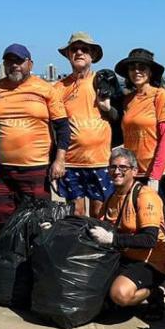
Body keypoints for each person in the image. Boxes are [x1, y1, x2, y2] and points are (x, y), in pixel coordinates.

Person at [0, 43, 70, 230]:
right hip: (2, 169)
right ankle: (7, 257)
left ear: (30, 64)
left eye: (19, 61)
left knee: (38, 221)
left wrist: (59, 160)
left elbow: (62, 127)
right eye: (9, 61)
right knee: (4, 221)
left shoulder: (45, 89)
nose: (14, 65)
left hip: (36, 167)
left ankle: (33, 259)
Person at [90, 147, 165, 320]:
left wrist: (112, 239)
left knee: (120, 294)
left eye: (122, 168)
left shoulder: (145, 196)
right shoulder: (112, 197)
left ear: (134, 171)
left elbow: (149, 239)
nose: (116, 172)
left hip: (150, 260)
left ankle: (155, 291)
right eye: (112, 167)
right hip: (124, 256)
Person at [53, 32, 114, 218]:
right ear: (68, 55)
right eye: (74, 49)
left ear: (92, 55)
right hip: (70, 161)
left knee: (100, 213)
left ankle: (98, 248)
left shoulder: (103, 81)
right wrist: (55, 162)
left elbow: (121, 115)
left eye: (84, 49)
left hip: (101, 160)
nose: (79, 52)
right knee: (76, 214)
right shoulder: (58, 87)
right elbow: (53, 127)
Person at [116, 48, 165, 189]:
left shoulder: (160, 95)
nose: (136, 71)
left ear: (150, 71)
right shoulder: (127, 100)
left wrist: (155, 175)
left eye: (142, 67)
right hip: (133, 170)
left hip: (157, 173)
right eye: (132, 68)